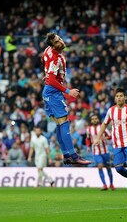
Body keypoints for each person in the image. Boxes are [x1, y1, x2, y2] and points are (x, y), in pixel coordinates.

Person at [42, 32, 91, 166]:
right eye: (58, 41)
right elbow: (52, 79)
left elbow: (45, 62)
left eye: (60, 39)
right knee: (64, 122)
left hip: (48, 91)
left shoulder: (48, 50)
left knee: (59, 123)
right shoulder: (56, 58)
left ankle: (66, 155)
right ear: (53, 45)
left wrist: (46, 74)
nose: (61, 41)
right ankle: (73, 156)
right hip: (53, 92)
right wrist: (68, 91)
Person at [86, 114, 115, 191]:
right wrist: (88, 147)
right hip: (96, 151)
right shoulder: (88, 129)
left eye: (96, 118)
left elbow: (110, 136)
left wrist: (104, 138)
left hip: (105, 151)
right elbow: (88, 139)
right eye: (93, 119)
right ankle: (104, 185)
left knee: (108, 167)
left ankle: (111, 184)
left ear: (98, 120)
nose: (94, 120)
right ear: (91, 121)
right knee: (100, 166)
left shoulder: (102, 127)